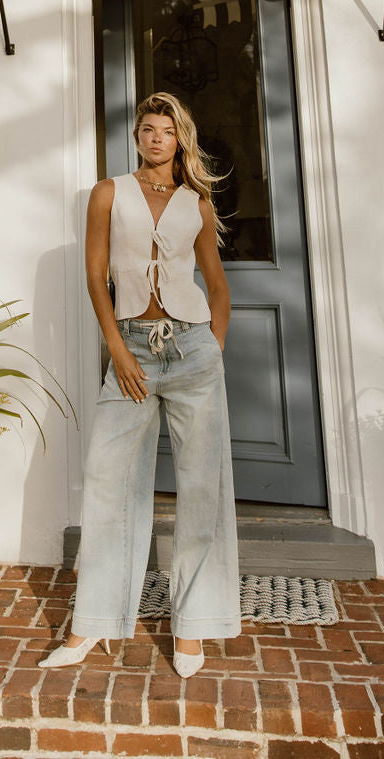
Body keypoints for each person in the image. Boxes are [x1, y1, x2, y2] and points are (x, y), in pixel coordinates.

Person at [40, 92, 240, 677]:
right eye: (147, 128)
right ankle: (90, 625)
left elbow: (217, 285)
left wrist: (213, 348)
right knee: (108, 483)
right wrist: (117, 350)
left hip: (193, 350)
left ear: (181, 140)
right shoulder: (109, 193)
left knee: (202, 487)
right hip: (133, 351)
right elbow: (95, 279)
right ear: (136, 136)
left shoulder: (195, 202)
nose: (156, 138)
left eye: (167, 130)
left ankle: (195, 627)